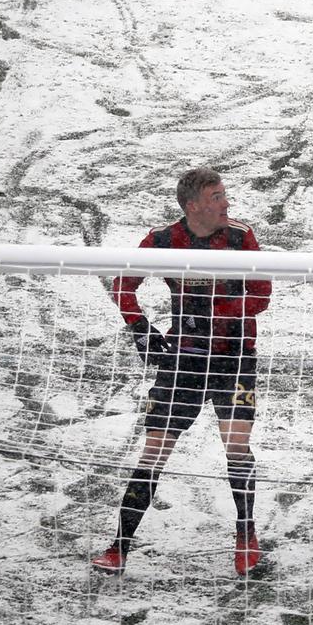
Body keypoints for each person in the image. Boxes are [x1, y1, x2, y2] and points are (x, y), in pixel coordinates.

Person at [90, 167, 272, 576]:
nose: (227, 203)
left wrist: (210, 314)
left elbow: (262, 295)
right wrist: (139, 327)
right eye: (216, 196)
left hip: (234, 357)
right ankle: (119, 546)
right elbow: (123, 284)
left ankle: (246, 535)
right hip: (184, 358)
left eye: (224, 194)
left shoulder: (241, 237)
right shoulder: (160, 240)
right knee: (153, 453)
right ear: (193, 206)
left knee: (236, 448)